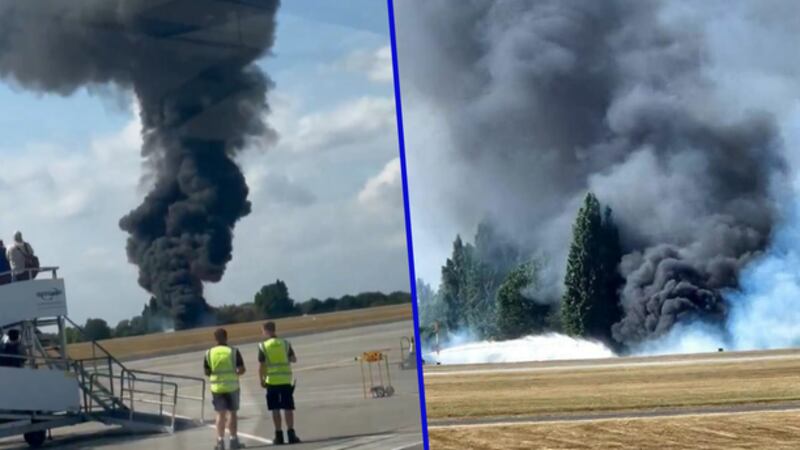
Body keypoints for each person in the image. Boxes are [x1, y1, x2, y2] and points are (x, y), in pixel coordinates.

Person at [258, 321, 300, 445]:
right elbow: (294, 359)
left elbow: (261, 366)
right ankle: (291, 434)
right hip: (285, 380)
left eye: (262, 331)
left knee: (275, 409)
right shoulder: (285, 343)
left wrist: (261, 379)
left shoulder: (263, 346)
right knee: (288, 408)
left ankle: (279, 435)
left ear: (266, 331)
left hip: (271, 381)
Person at [204, 328, 246, 450]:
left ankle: (220, 442)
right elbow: (241, 369)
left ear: (215, 339)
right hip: (232, 386)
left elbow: (207, 371)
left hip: (217, 388)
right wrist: (236, 372)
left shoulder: (209, 353)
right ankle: (233, 440)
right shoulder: (233, 351)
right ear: (226, 337)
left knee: (220, 414)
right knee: (233, 413)